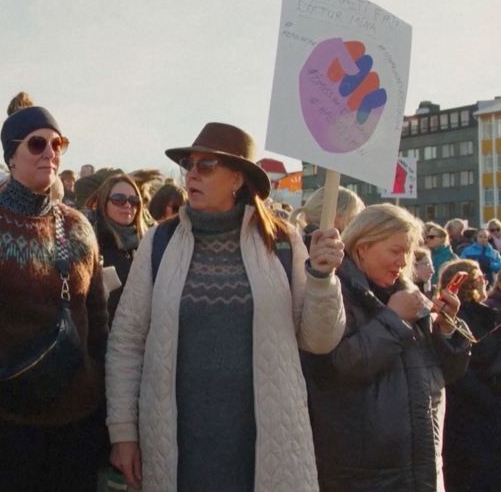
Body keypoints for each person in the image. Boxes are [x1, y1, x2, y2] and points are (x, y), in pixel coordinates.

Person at [106, 122, 346, 491]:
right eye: (189, 165)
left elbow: (319, 340)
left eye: (206, 166)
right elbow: (127, 341)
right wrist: (122, 431)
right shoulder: (159, 242)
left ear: (238, 178)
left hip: (264, 448)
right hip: (177, 447)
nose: (191, 175)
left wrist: (322, 279)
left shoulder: (282, 242)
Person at [0, 106, 107, 491]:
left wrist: (102, 402)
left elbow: (97, 323)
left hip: (73, 424)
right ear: (11, 156)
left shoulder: (79, 227)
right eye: (37, 143)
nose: (51, 152)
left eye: (58, 143)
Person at [302, 204, 471, 492]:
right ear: (363, 247)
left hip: (420, 468)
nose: (403, 261)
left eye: (407, 253)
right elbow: (336, 368)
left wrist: (446, 327)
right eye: (395, 251)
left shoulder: (408, 296)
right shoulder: (333, 294)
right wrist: (392, 321)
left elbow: (446, 375)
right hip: (363, 475)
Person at [438, 259, 501, 492]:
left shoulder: (486, 315)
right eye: (480, 278)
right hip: (475, 409)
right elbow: (467, 364)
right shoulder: (464, 318)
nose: (485, 281)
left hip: (486, 405)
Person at [85, 173, 147, 321]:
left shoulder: (148, 244)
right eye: (119, 200)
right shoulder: (88, 241)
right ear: (103, 203)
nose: (127, 205)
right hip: (99, 332)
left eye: (134, 201)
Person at [290, 186, 364, 248]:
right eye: (353, 219)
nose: (357, 226)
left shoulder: (299, 243)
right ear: (336, 218)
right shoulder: (331, 251)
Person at [424, 222, 458, 286]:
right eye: (427, 237)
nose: (427, 239)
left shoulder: (450, 257)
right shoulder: (429, 255)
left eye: (431, 237)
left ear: (442, 238)